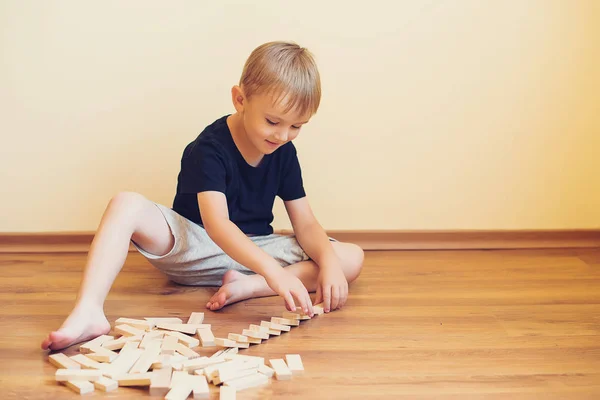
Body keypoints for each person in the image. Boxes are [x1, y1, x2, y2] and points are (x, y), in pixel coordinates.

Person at [42, 41, 363, 351]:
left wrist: (329, 262)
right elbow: (217, 225)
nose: (282, 135)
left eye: (296, 126)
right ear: (240, 99)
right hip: (193, 246)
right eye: (273, 122)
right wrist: (276, 272)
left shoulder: (284, 151)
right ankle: (88, 311)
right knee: (125, 202)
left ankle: (246, 286)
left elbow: (305, 224)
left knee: (350, 256)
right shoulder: (209, 148)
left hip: (253, 252)